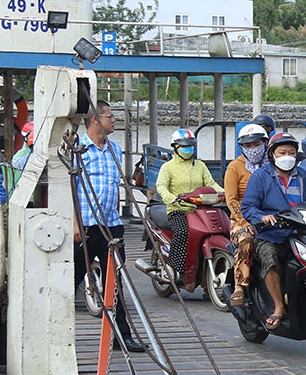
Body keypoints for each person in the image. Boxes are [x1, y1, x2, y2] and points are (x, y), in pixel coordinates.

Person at [241, 130, 306, 330]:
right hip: (272, 234)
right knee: (269, 258)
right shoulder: (261, 177)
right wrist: (262, 217)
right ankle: (279, 307)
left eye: (291, 152)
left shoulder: (303, 176)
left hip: (300, 232)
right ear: (272, 155)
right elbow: (248, 206)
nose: (287, 156)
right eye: (282, 152)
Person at [73, 101, 144, 353]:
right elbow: (70, 188)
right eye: (110, 117)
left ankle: (121, 337)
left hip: (111, 226)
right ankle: (57, 336)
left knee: (116, 283)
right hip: (85, 227)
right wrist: (74, 222)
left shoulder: (114, 149)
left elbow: (115, 188)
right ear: (95, 120)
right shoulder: (78, 150)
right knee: (69, 281)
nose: (114, 121)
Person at [155, 128, 217, 282]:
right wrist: (171, 197)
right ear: (175, 147)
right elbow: (161, 186)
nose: (188, 149)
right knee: (183, 232)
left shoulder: (200, 166)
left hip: (199, 210)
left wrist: (226, 193)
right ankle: (172, 266)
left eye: (190, 146)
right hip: (178, 210)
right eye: (183, 146)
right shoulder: (168, 167)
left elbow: (211, 184)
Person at [223, 123, 269, 304]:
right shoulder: (235, 167)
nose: (253, 149)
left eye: (256, 144)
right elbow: (232, 200)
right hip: (241, 222)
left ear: (265, 144)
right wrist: (245, 222)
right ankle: (240, 286)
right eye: (248, 146)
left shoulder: (271, 166)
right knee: (246, 240)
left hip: (268, 219)